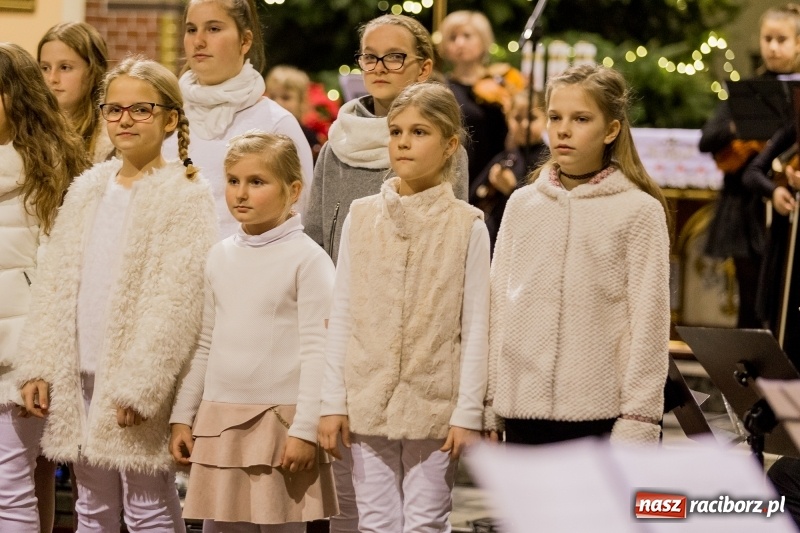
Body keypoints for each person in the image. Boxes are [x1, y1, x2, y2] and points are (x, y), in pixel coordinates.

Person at [15, 55, 217, 532]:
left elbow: (178, 300)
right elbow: (55, 280)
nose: (125, 119)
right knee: (91, 504)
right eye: (114, 109)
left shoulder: (185, 193)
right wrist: (40, 364)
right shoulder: (89, 187)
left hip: (133, 377)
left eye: (141, 109)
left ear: (170, 119)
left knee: (148, 504)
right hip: (79, 370)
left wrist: (142, 384)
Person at [305, 16, 468, 531]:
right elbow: (316, 237)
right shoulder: (337, 145)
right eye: (369, 56)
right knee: (351, 500)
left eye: (394, 56)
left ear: (423, 66)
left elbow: (449, 248)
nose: (379, 67)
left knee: (420, 508)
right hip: (349, 336)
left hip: (418, 345)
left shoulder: (442, 146)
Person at [485, 64, 671, 446]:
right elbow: (498, 308)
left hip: (599, 415)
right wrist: (490, 404)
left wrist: (639, 418)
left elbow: (649, 323)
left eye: (581, 119)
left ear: (611, 130)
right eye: (555, 117)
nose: (563, 130)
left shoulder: (639, 211)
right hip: (521, 409)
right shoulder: (522, 204)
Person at [168, 131, 338, 532]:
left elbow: (320, 352)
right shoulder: (219, 255)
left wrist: (305, 429)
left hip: (280, 426)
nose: (241, 193)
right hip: (220, 424)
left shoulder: (308, 260)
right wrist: (182, 415)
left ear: (293, 190)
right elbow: (205, 343)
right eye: (233, 181)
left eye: (257, 182)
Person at [0, 42, 89, 533]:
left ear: (17, 97)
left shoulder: (49, 172)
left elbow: (59, 278)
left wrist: (41, 365)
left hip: (19, 359)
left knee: (12, 488)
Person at [167, 0, 314, 239]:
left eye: (213, 28)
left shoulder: (276, 124)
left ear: (245, 41)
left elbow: (301, 222)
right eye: (191, 29)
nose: (199, 41)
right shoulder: (166, 119)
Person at [699, 3, 800, 328]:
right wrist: (742, 126)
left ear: (798, 43)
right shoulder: (748, 91)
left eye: (781, 40)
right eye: (767, 39)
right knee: (751, 305)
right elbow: (707, 140)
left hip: (788, 207)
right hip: (745, 208)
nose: (773, 47)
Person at [470, 90, 549, 254]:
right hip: (494, 242)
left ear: (546, 119)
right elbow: (472, 198)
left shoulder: (549, 161)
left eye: (532, 118)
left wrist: (512, 189)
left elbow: (545, 209)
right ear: (508, 119)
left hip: (528, 245)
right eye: (517, 118)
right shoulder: (505, 157)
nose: (524, 125)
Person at [438, 10, 509, 192]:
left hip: (495, 179)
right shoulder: (441, 87)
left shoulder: (502, 83)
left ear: (483, 40)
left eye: (467, 36)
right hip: (454, 176)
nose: (460, 43)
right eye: (452, 37)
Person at [265, 65, 322, 157]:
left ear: (302, 102)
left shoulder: (309, 139)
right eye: (272, 97)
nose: (277, 103)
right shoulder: (262, 133)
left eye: (286, 98)